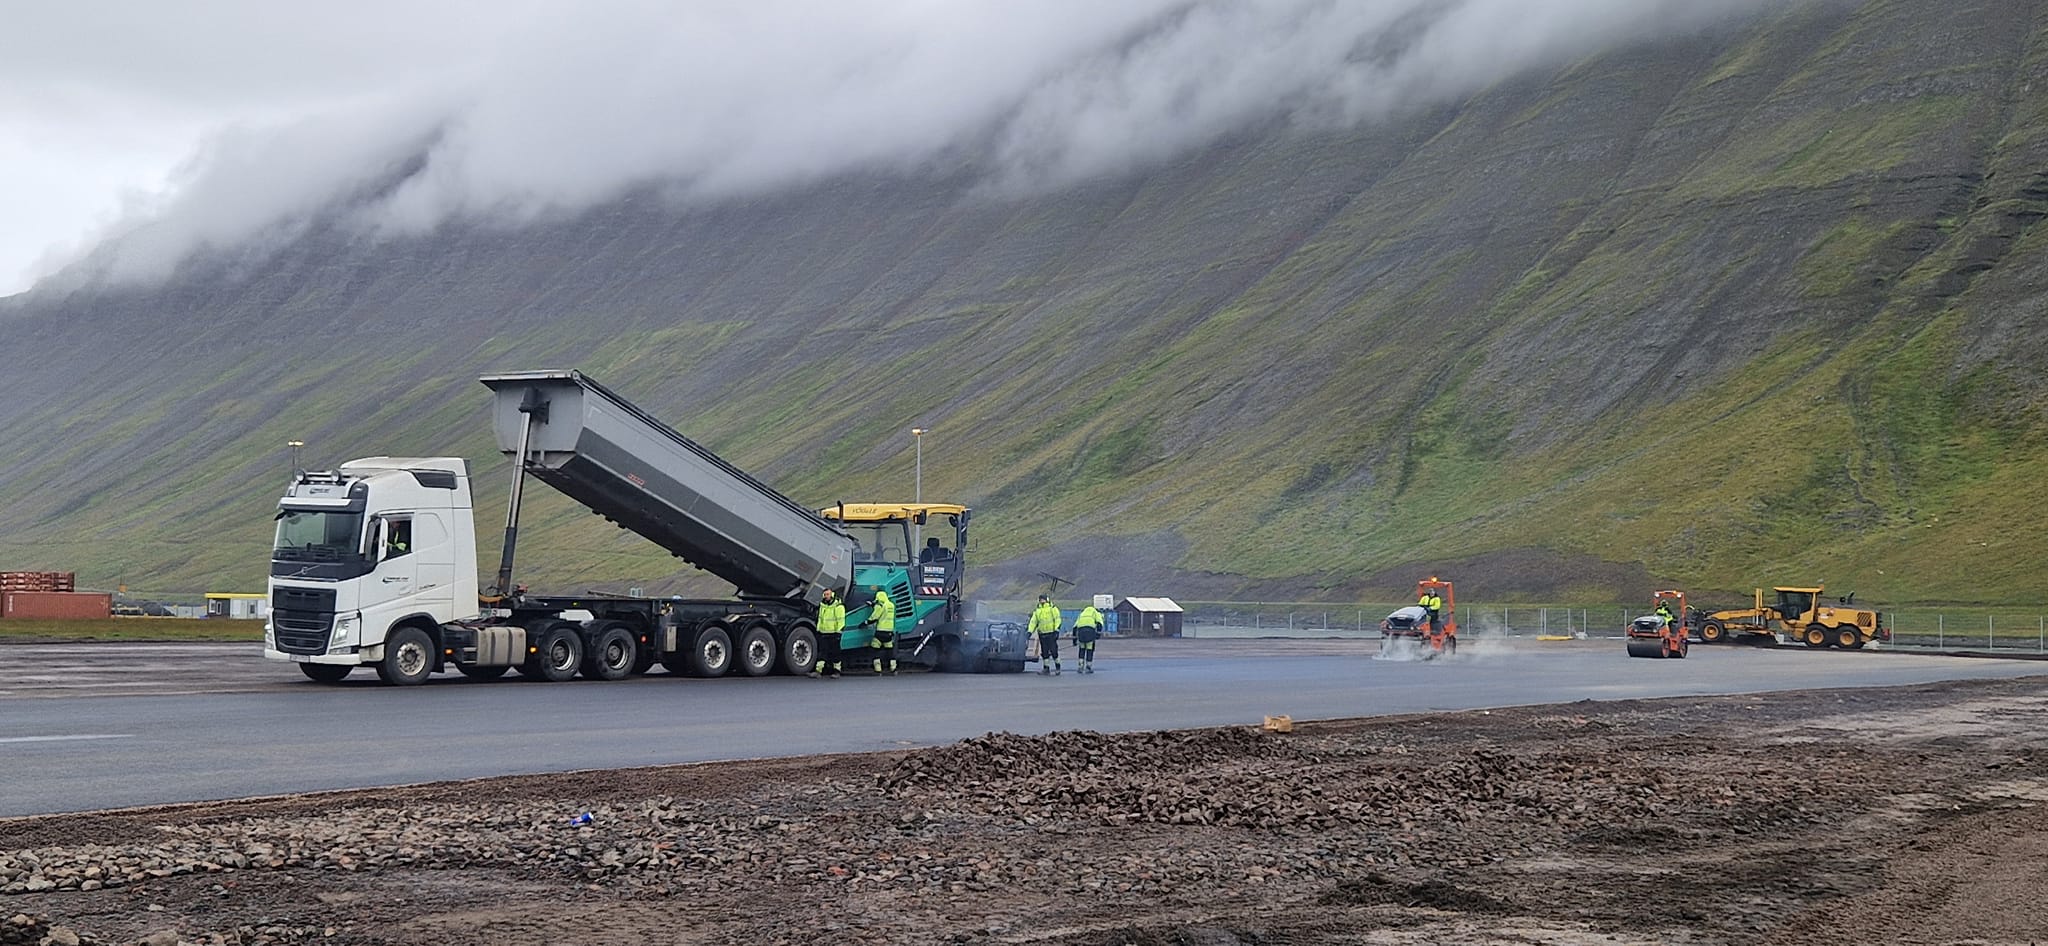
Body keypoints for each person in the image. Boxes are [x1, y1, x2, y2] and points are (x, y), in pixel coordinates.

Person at [811, 588, 846, 678]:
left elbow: (841, 620)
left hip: (834, 633)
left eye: (828, 594)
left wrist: (839, 632)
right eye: (825, 594)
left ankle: (837, 671)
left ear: (832, 595)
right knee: (822, 653)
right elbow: (820, 618)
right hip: (823, 632)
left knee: (835, 653)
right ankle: (818, 671)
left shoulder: (838, 606)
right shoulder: (822, 605)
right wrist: (818, 630)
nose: (826, 596)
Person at [1029, 594, 1063, 676]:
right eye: (1040, 600)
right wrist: (1029, 631)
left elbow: (1057, 619)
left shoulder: (1052, 608)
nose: (1042, 601)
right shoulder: (1038, 610)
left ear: (1047, 599)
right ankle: (1046, 668)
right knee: (1044, 652)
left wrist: (1056, 630)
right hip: (1042, 634)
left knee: (1054, 651)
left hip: (1051, 633)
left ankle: (1058, 667)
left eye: (1043, 599)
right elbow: (1033, 622)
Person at [869, 584, 898, 676]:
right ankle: (893, 669)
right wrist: (873, 604)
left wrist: (866, 622)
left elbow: (875, 616)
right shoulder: (891, 605)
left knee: (875, 648)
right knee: (890, 650)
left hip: (880, 632)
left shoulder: (880, 605)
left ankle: (878, 670)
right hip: (889, 631)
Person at [1072, 600, 1105, 674]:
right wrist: (1098, 635)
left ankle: (1080, 666)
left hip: (1081, 632)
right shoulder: (1095, 613)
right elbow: (1100, 623)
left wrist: (1074, 640)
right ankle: (1088, 667)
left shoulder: (1082, 614)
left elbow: (1074, 627)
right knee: (1090, 649)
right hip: (1090, 631)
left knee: (1082, 649)